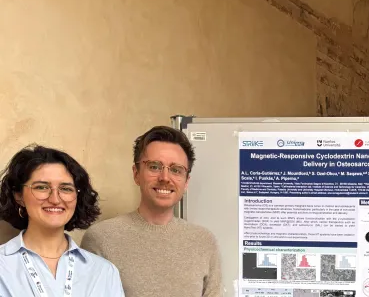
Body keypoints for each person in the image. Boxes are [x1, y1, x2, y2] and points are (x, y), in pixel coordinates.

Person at [81, 126, 223, 297]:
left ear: (186, 182)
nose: (165, 178)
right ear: (136, 174)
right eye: (154, 167)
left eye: (176, 170)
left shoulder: (204, 242)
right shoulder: (100, 239)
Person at [0, 145, 124, 296]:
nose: (55, 199)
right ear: (19, 196)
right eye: (41, 187)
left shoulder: (103, 272)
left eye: (66, 189)